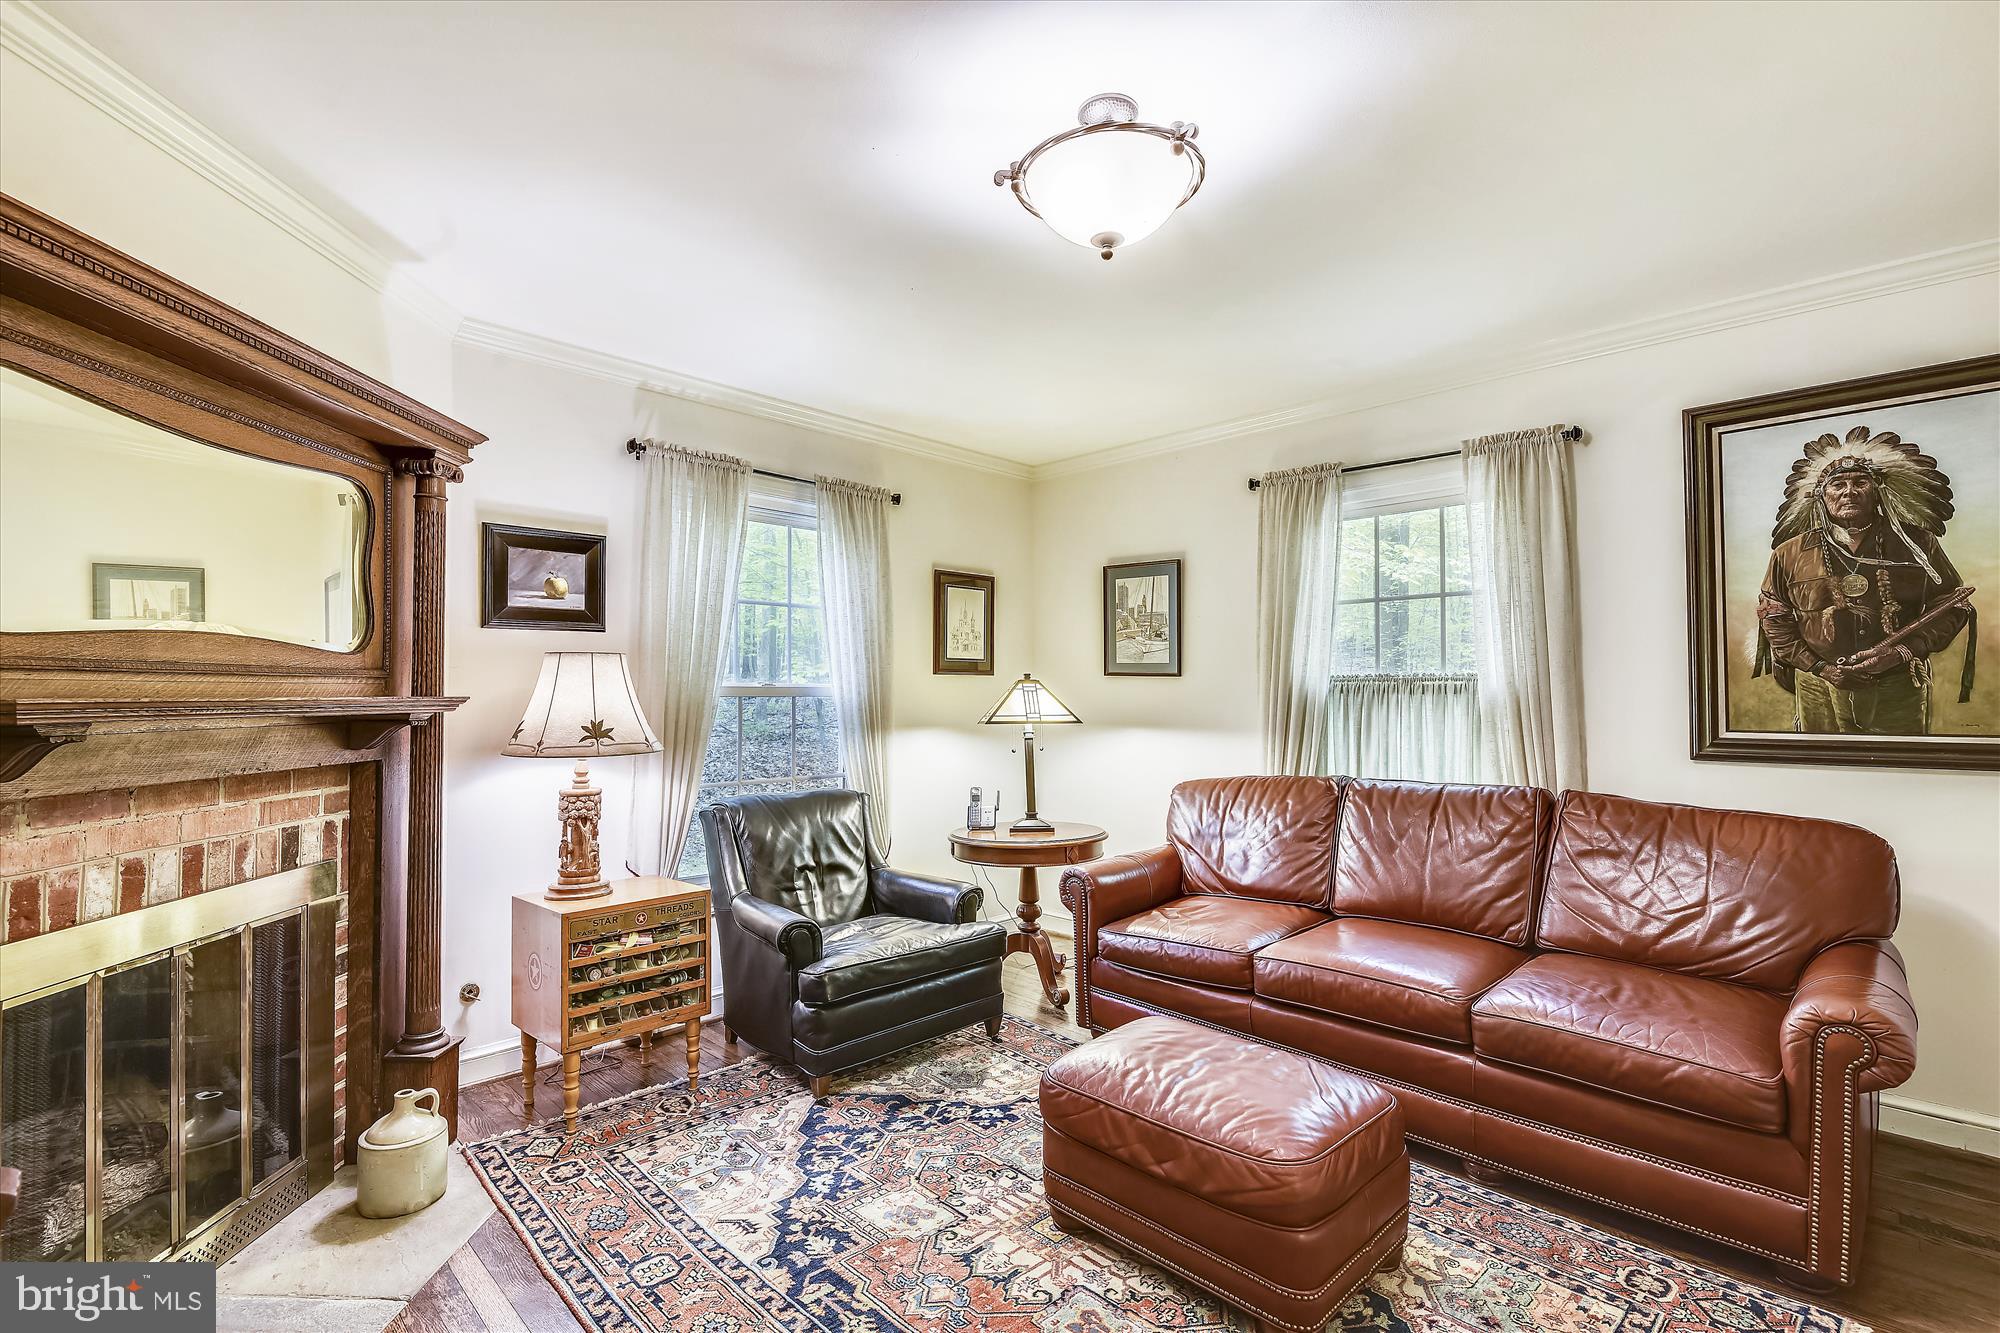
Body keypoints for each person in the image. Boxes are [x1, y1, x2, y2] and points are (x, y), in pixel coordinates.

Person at [1755, 426, 1973, 734]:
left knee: (1900, 766)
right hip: (1819, 688)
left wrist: (1902, 652)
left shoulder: (1916, 543)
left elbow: (1953, 605)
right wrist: (1821, 668)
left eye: (1860, 482)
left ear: (1877, 491)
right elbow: (1774, 618)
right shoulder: (1789, 553)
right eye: (1838, 484)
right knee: (1822, 769)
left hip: (1897, 685)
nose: (1849, 491)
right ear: (1822, 495)